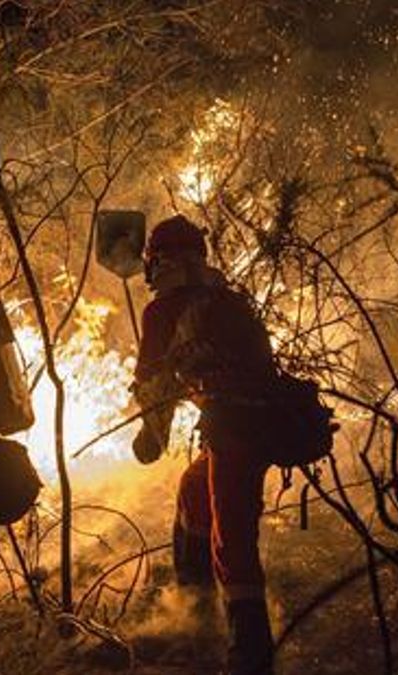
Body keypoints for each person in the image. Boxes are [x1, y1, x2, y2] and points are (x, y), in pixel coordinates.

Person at [130, 215, 277, 674]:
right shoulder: (231, 300)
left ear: (161, 261)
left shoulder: (163, 310)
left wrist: (151, 436)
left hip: (236, 428)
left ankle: (249, 653)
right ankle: (194, 613)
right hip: (256, 421)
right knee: (194, 493)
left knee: (231, 538)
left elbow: (155, 382)